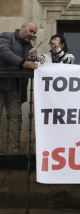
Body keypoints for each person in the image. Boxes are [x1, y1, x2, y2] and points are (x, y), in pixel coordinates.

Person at [0, 21, 38, 153]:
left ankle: (14, 151)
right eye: (31, 31)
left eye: (34, 33)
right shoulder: (6, 36)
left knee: (16, 118)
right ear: (23, 28)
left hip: (15, 86)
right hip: (1, 83)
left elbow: (31, 62)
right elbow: (4, 52)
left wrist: (35, 58)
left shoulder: (29, 45)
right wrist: (23, 63)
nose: (32, 35)